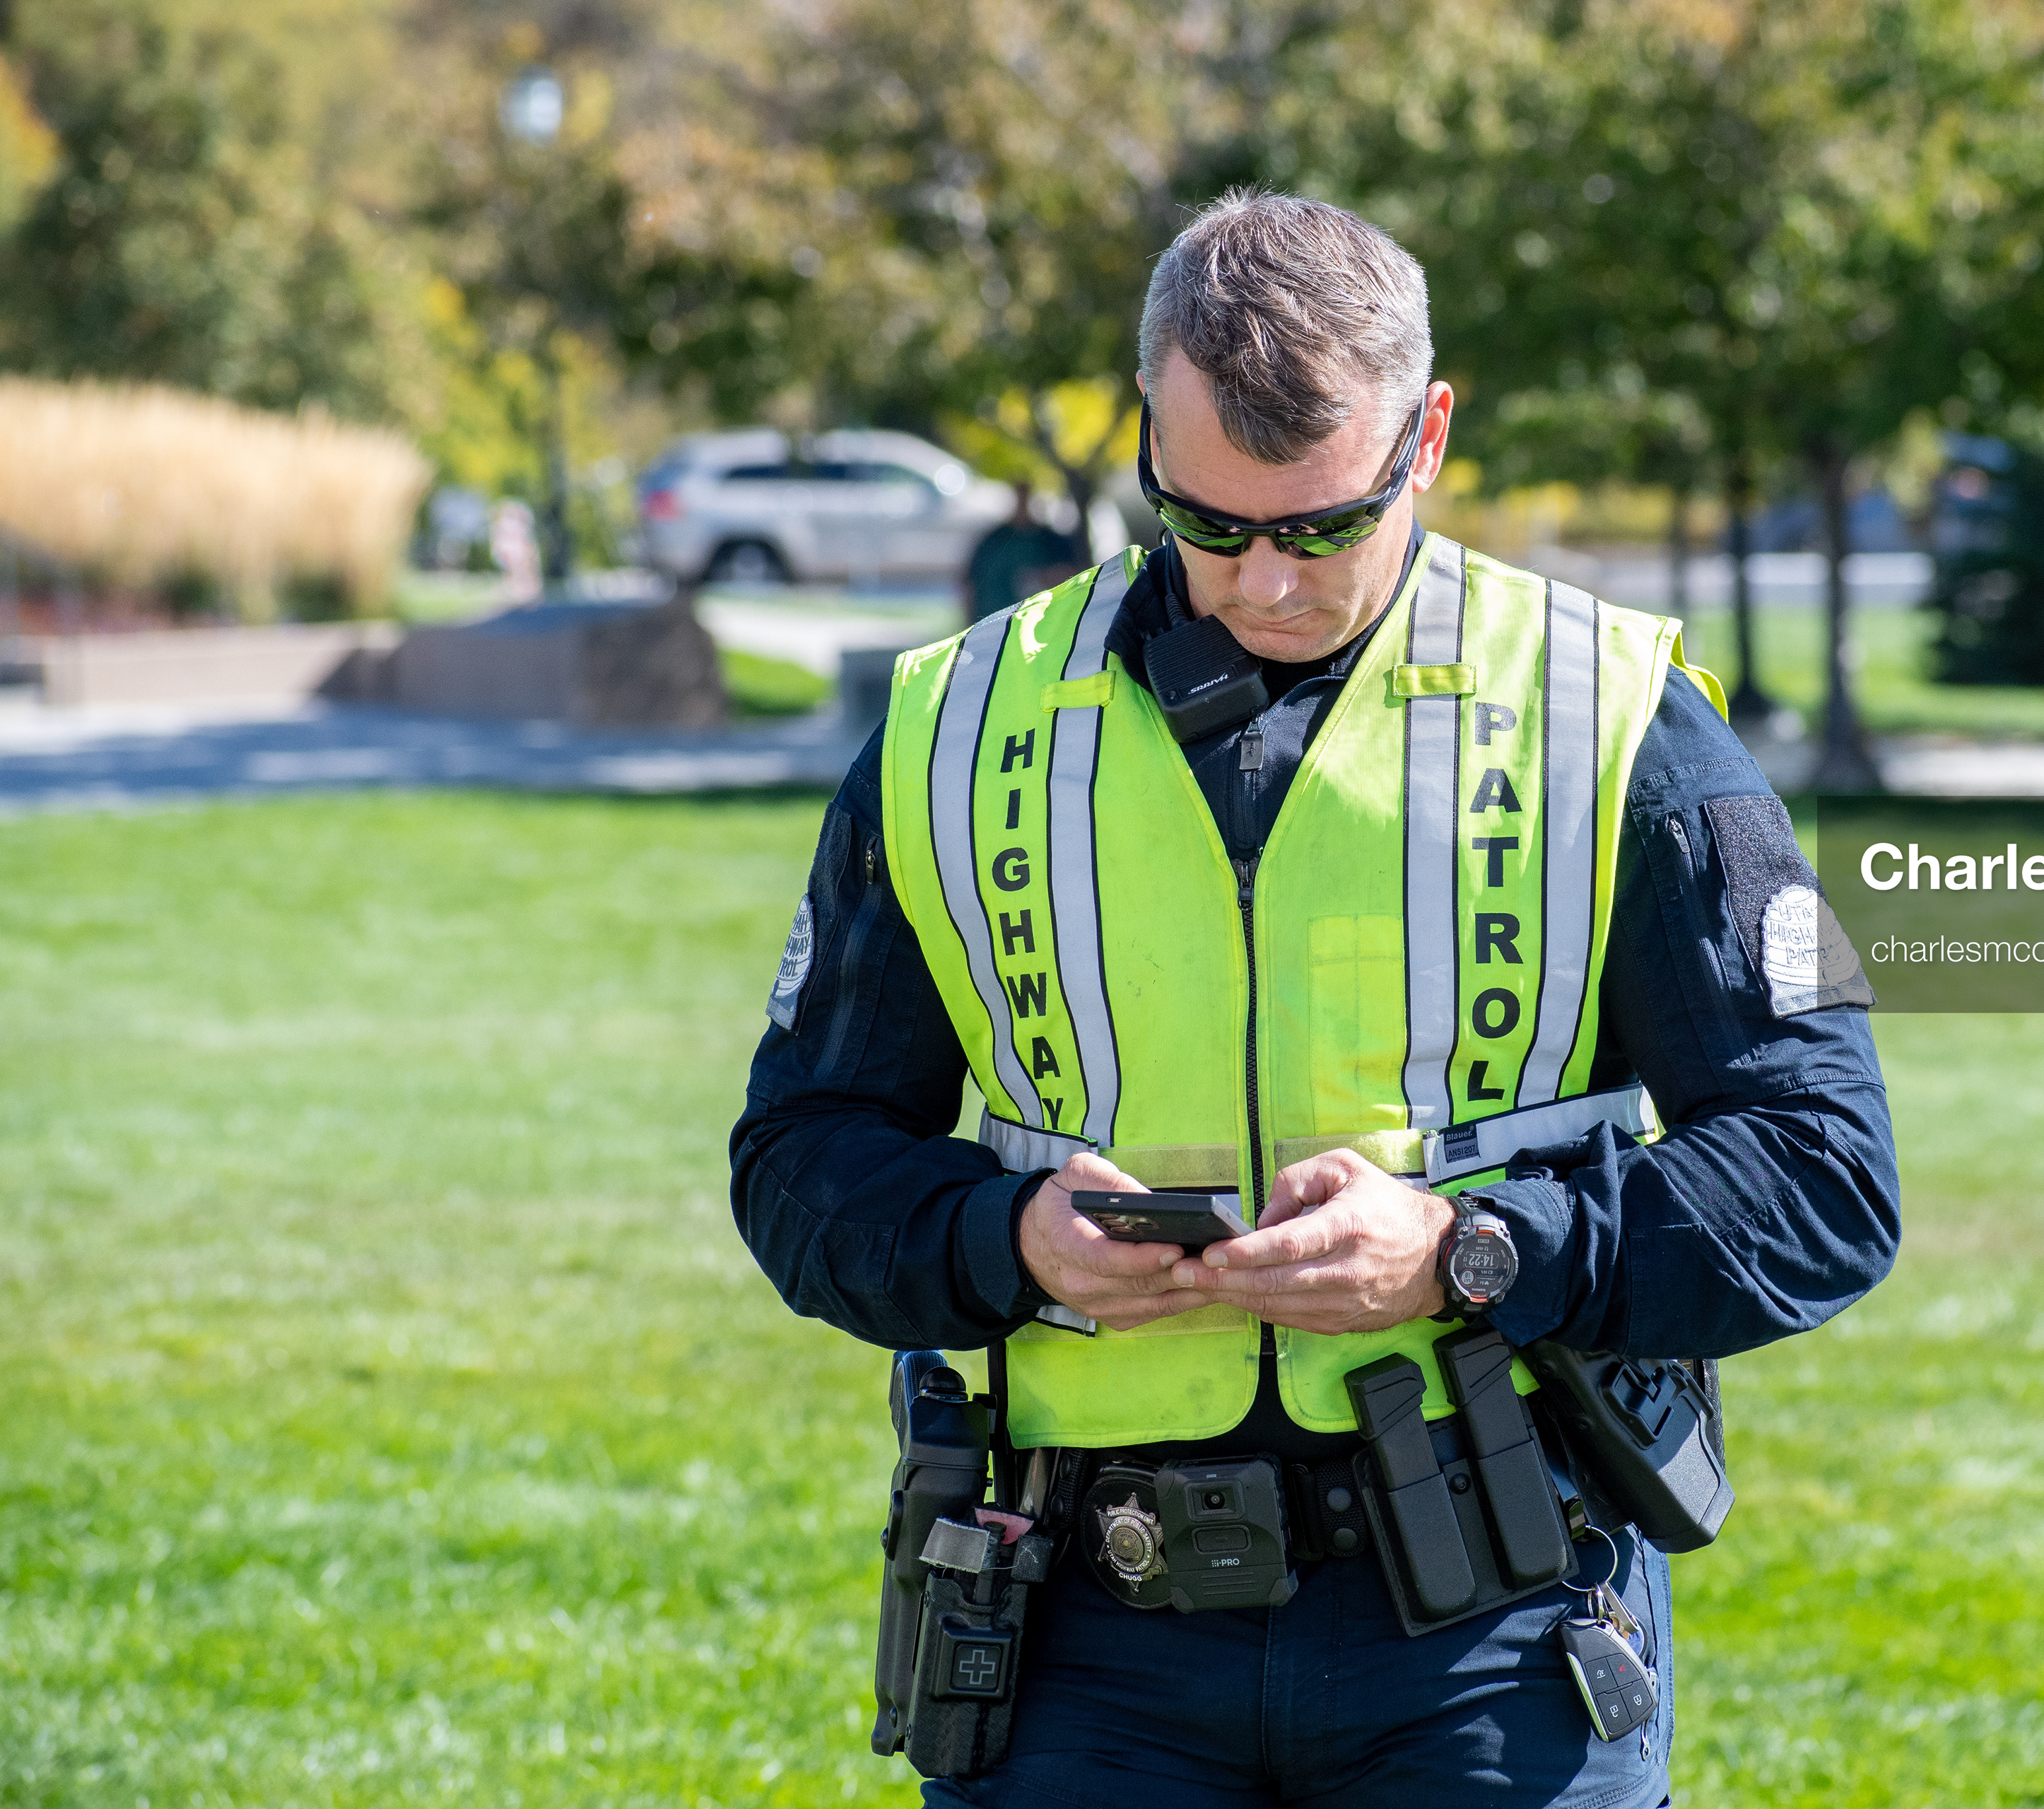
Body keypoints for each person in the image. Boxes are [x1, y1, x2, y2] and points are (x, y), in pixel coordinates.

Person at [731, 190, 1898, 1808]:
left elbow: (1823, 1173)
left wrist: (1467, 1248)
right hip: (1078, 1625)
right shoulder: (955, 723)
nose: (1263, 583)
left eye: (1320, 523)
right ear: (1148, 430)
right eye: (1206, 524)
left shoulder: (1620, 714)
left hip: (1491, 1620)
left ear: (1425, 436)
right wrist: (998, 1240)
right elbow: (796, 1157)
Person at [961, 479, 1081, 626]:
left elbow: (1072, 577)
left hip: (1039, 626)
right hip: (992, 626)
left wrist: (1041, 578)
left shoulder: (1050, 540)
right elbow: (968, 583)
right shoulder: (993, 541)